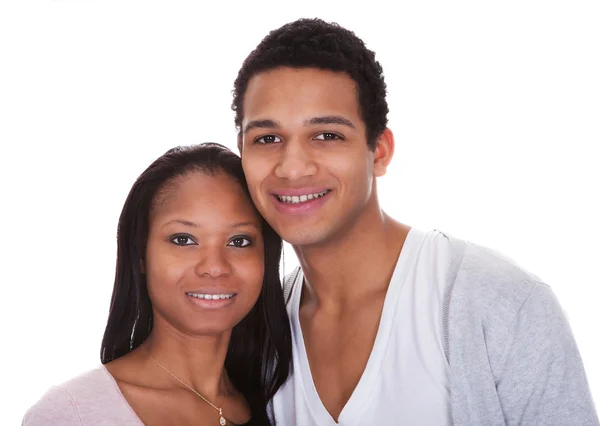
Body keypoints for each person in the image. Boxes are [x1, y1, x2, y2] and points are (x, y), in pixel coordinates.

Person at [232, 18, 599, 425]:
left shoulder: (500, 304)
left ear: (380, 151)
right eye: (267, 138)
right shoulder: (257, 329)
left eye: (327, 135)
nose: (293, 168)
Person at [23, 143, 292, 426]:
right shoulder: (73, 413)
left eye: (239, 241)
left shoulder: (279, 404)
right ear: (140, 253)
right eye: (183, 239)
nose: (214, 267)